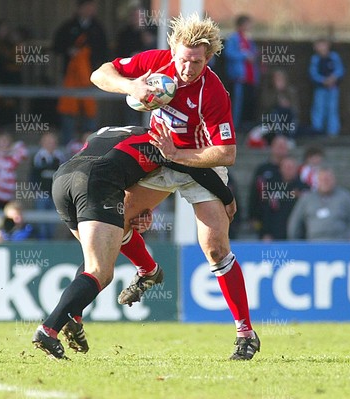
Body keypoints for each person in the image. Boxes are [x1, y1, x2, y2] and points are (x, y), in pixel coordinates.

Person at [90, 14, 260, 360]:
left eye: (197, 61)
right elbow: (99, 73)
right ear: (172, 50)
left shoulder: (213, 92)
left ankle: (246, 332)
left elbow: (226, 154)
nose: (187, 68)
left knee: (214, 246)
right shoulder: (155, 63)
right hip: (160, 158)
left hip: (199, 164)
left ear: (208, 58)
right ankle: (148, 271)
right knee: (116, 218)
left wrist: (179, 153)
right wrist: (132, 86)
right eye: (183, 59)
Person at [32, 125, 235, 359]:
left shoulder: (113, 130)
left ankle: (74, 316)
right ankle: (48, 329)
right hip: (96, 181)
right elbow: (195, 170)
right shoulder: (163, 140)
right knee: (101, 271)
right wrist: (227, 196)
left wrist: (141, 208)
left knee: (96, 258)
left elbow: (123, 161)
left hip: (64, 178)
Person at [52, 0, 108, 146]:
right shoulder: (68, 26)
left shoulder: (98, 28)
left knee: (90, 113)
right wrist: (69, 50)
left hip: (91, 77)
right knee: (68, 112)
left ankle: (90, 146)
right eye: (88, 6)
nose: (91, 9)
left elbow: (104, 52)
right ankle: (67, 146)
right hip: (70, 77)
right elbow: (56, 45)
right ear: (80, 8)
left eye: (93, 7)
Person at [287, 166, 350, 241]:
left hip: (338, 243)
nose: (325, 182)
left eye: (328, 179)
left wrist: (347, 239)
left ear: (334, 180)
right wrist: (298, 244)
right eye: (322, 179)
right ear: (317, 181)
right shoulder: (306, 199)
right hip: (314, 244)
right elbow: (295, 223)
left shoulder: (345, 197)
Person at [256, 156, 309, 241]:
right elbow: (266, 212)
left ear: (296, 169)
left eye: (291, 167)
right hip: (276, 234)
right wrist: (265, 233)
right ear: (280, 169)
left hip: (299, 235)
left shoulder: (304, 188)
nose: (288, 170)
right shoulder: (271, 187)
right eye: (286, 167)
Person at [248, 135, 290, 235]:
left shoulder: (291, 168)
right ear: (272, 147)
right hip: (265, 217)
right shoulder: (262, 169)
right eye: (279, 146)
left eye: (284, 146)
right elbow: (254, 193)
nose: (281, 149)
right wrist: (252, 216)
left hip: (286, 217)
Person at [224, 15, 259, 133]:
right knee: (237, 103)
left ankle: (244, 128)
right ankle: (234, 127)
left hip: (250, 78)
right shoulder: (233, 38)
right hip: (238, 77)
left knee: (248, 103)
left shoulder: (249, 39)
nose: (250, 26)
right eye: (248, 24)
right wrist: (244, 55)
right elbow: (228, 53)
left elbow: (253, 54)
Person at [30, 132, 66, 240]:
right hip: (41, 194)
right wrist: (35, 190)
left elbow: (63, 175)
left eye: (52, 141)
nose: (50, 144)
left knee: (52, 224)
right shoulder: (37, 157)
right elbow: (33, 176)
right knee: (41, 223)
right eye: (47, 141)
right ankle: (43, 242)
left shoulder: (60, 157)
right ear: (42, 143)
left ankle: (50, 242)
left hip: (55, 195)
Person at [309, 38, 344, 136]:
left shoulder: (334, 57)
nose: (321, 48)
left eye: (322, 45)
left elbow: (340, 70)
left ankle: (333, 132)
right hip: (320, 89)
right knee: (318, 109)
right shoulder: (315, 59)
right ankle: (317, 130)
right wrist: (323, 81)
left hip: (333, 89)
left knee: (332, 109)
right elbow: (313, 73)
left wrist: (333, 78)